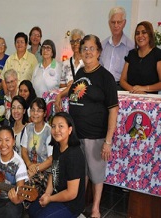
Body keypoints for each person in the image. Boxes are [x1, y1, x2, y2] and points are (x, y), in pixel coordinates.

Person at [55, 35, 118, 218]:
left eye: (92, 48)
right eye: (84, 49)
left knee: (96, 174)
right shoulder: (81, 72)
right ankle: (79, 206)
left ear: (98, 51)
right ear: (80, 52)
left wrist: (108, 141)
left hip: (95, 136)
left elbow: (113, 110)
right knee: (80, 173)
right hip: (76, 135)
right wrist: (60, 96)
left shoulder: (106, 77)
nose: (88, 52)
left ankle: (96, 208)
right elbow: (73, 87)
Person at [28, 112, 85, 218]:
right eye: (53, 126)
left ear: (70, 129)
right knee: (32, 210)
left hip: (71, 204)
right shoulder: (57, 147)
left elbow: (71, 193)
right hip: (57, 194)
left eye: (61, 126)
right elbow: (53, 173)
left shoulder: (74, 155)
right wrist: (47, 194)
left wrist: (49, 199)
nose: (56, 130)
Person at [21, 98, 52, 197]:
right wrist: (29, 165)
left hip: (44, 171)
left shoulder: (49, 131)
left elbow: (50, 160)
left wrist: (36, 169)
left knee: (27, 185)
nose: (35, 113)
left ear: (44, 113)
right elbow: (24, 150)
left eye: (39, 111)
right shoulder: (28, 128)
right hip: (30, 168)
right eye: (33, 110)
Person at [120, 21, 161, 94]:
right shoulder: (131, 54)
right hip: (131, 96)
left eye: (144, 32)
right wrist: (134, 90)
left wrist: (145, 88)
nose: (140, 35)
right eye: (137, 33)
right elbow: (122, 81)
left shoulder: (157, 54)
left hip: (150, 100)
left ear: (150, 35)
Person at [100, 6, 134, 90]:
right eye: (113, 22)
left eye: (119, 22)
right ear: (109, 23)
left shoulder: (131, 47)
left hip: (120, 87)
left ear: (124, 23)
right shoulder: (102, 45)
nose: (116, 25)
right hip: (101, 86)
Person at [0, 36, 9, 107]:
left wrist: (2, 85)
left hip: (5, 95)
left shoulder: (9, 59)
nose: (0, 46)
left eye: (2, 44)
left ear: (5, 47)